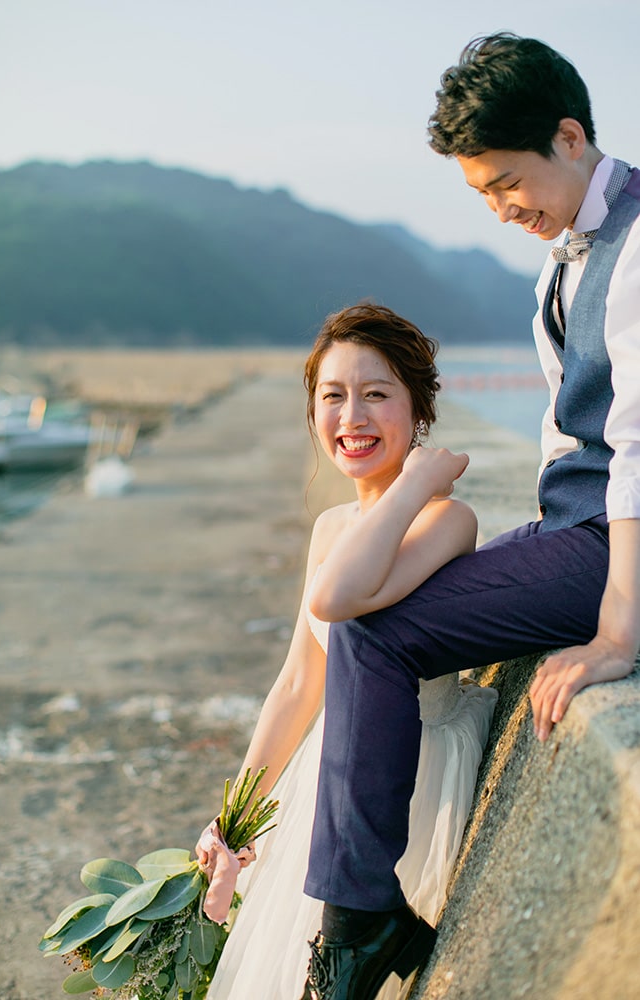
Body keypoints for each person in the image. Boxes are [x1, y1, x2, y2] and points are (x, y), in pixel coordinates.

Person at [299, 32, 640, 1000]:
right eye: (480, 194)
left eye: (506, 181)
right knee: (377, 610)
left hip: (616, 546)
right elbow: (568, 436)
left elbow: (636, 449)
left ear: (569, 137)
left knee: (373, 630)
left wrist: (617, 630)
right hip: (577, 528)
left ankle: (359, 924)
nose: (501, 208)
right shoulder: (562, 262)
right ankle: (361, 917)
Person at [204, 303, 498, 1000]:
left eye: (376, 394)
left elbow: (346, 595)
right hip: (327, 781)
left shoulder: (446, 519)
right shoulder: (331, 525)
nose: (351, 416)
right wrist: (235, 816)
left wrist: (420, 483)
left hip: (407, 784)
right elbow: (297, 687)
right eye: (332, 396)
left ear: (418, 412)